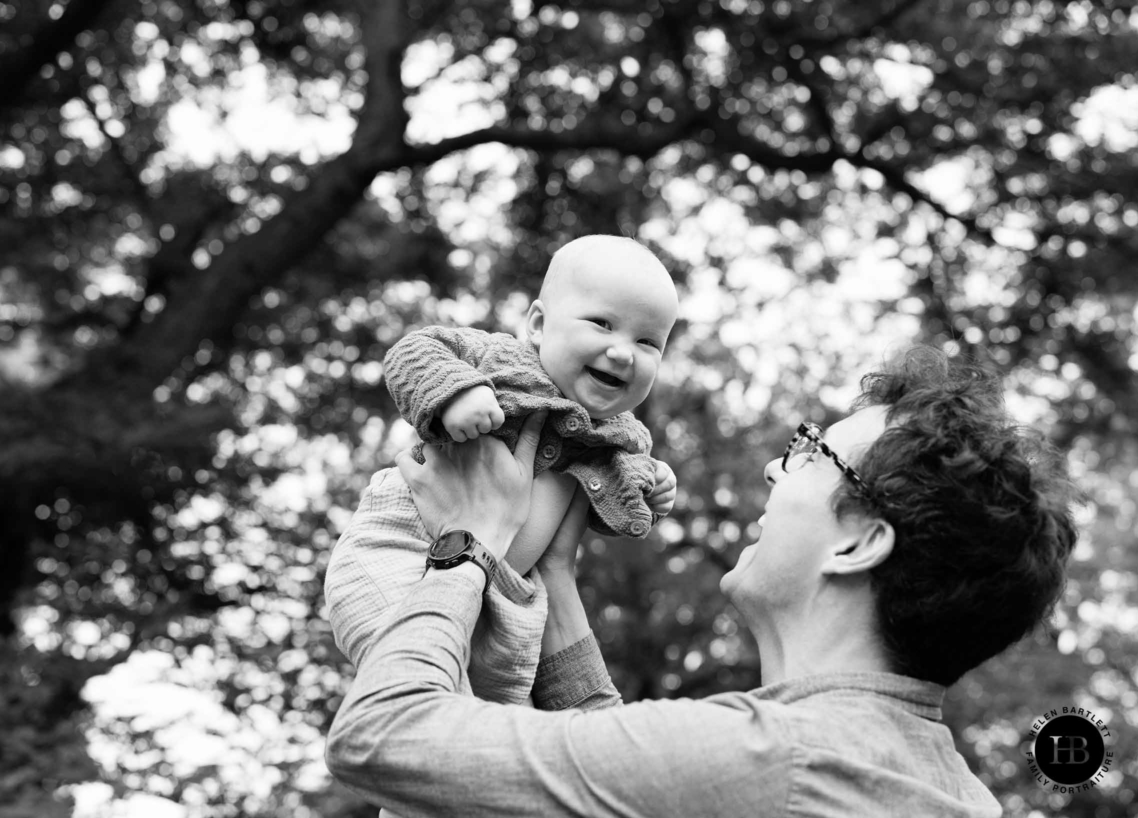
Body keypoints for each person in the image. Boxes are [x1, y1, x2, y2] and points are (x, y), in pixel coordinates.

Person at [325, 347, 1078, 817]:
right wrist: (552, 572)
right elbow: (616, 760)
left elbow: (379, 736)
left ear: (860, 542)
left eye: (811, 456)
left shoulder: (776, 763)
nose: (776, 469)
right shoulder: (949, 791)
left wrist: (474, 537)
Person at [324, 235, 681, 706]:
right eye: (602, 324)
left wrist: (648, 491)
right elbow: (412, 351)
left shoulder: (622, 436)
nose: (623, 352)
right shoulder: (499, 358)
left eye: (647, 342)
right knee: (411, 674)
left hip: (508, 592)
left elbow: (609, 505)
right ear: (537, 324)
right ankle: (405, 699)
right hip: (402, 543)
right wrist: (455, 392)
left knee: (498, 711)